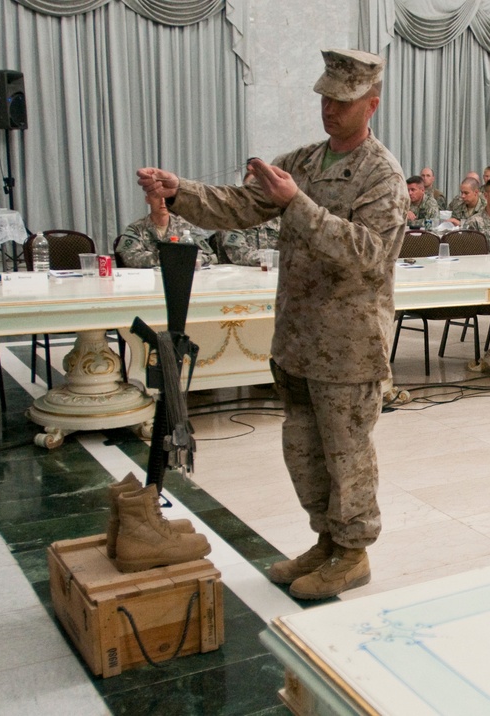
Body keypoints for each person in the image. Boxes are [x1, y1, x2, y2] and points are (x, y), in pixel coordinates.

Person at [136, 48, 408, 599]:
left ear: (371, 105)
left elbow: (368, 256)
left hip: (349, 347)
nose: (330, 108)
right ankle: (325, 542)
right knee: (304, 453)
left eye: (343, 101)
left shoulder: (383, 177)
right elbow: (238, 205)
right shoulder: (305, 162)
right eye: (325, 97)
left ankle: (352, 553)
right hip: (298, 340)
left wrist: (298, 204)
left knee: (346, 455)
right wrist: (178, 190)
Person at [116, 193, 218, 268]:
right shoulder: (136, 228)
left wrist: (190, 259)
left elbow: (210, 256)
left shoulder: (187, 226)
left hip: (181, 280)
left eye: (167, 198)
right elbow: (128, 257)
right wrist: (167, 258)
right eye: (157, 197)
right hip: (149, 284)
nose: (163, 202)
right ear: (147, 199)